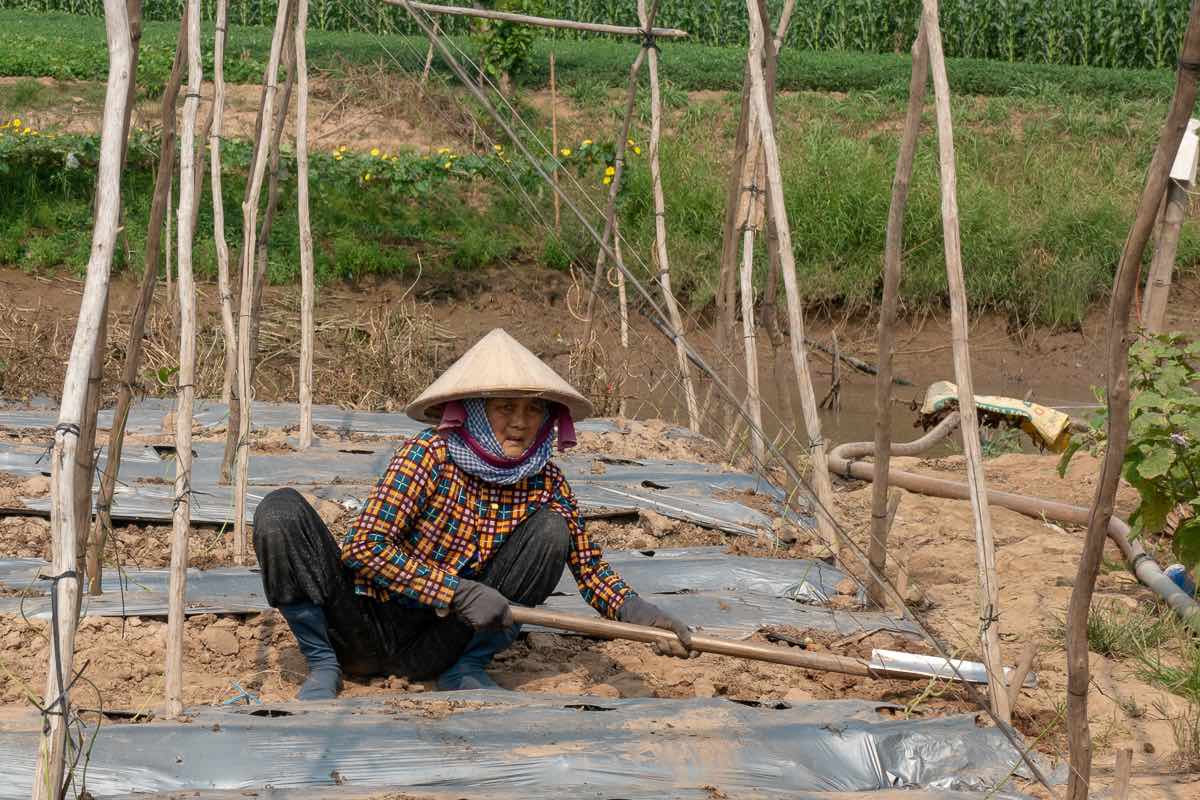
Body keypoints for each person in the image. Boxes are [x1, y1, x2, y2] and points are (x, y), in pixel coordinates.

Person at [253, 328, 695, 699]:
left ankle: (466, 669)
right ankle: (322, 663)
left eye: (534, 409)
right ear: (474, 413)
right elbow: (365, 548)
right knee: (280, 512)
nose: (521, 422)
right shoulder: (427, 456)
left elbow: (589, 569)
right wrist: (454, 591)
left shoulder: (547, 481)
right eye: (505, 408)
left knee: (551, 532)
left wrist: (640, 613)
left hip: (447, 638)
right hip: (364, 627)